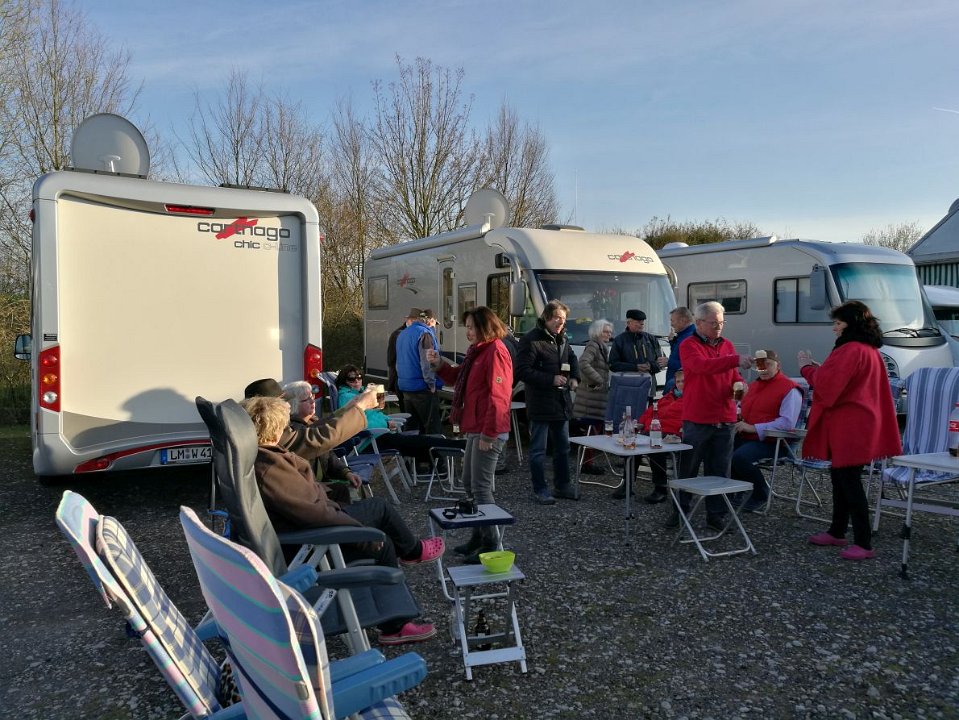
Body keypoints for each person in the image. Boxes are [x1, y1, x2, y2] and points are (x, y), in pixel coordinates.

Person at [241, 394, 444, 646]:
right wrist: (362, 535)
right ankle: (396, 625)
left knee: (377, 511)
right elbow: (314, 514)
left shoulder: (260, 457)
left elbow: (307, 502)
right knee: (382, 539)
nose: (288, 431)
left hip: (302, 532)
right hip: (307, 545)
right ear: (275, 429)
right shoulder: (271, 467)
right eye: (285, 427)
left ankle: (407, 569)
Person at [798, 300, 902, 561]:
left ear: (850, 324)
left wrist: (806, 367)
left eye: (838, 323)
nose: (834, 328)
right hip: (861, 423)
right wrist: (821, 369)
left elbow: (827, 386)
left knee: (849, 482)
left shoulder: (850, 349)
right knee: (841, 478)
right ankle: (837, 531)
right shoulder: (868, 349)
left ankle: (863, 543)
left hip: (850, 425)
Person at [429, 306, 513, 562]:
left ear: (485, 327)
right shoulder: (477, 351)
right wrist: (439, 364)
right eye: (466, 327)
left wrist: (489, 434)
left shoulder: (495, 351)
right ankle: (478, 535)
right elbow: (459, 377)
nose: (467, 332)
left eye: (471, 327)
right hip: (476, 426)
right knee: (468, 483)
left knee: (481, 487)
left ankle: (492, 544)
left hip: (488, 430)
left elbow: (499, 397)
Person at [667, 301, 753, 530]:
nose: (719, 327)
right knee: (689, 468)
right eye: (714, 323)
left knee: (720, 470)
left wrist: (741, 385)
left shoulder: (727, 345)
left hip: (725, 416)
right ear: (699, 323)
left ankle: (716, 515)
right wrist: (734, 360)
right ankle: (680, 511)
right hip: (698, 417)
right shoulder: (688, 345)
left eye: (721, 322)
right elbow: (702, 367)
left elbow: (733, 375)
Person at [515, 300, 581, 504]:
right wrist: (550, 379)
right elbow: (522, 371)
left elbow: (572, 359)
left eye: (563, 319)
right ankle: (540, 489)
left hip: (561, 402)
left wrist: (575, 377)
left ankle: (562, 486)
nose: (560, 322)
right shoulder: (531, 340)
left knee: (563, 448)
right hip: (540, 403)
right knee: (538, 451)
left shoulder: (562, 339)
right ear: (546, 317)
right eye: (557, 318)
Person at [333, 364, 465, 465]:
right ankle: (460, 447)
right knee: (419, 442)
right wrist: (386, 424)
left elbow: (374, 414)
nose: (357, 381)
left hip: (378, 435)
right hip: (369, 440)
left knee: (418, 444)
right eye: (351, 379)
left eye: (359, 377)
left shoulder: (360, 394)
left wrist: (386, 420)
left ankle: (447, 456)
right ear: (344, 381)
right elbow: (357, 423)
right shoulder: (347, 398)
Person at [730, 350, 802, 513]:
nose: (763, 369)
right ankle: (735, 491)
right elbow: (741, 409)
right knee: (720, 450)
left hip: (775, 442)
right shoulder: (754, 386)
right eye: (759, 365)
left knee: (740, 457)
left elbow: (787, 423)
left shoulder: (789, 388)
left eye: (768, 364)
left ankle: (761, 494)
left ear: (778, 365)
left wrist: (753, 427)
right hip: (748, 437)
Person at [244, 377, 378, 461]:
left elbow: (315, 428)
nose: (286, 404)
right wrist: (361, 406)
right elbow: (316, 438)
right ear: (265, 410)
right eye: (280, 402)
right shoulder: (273, 434)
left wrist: (349, 408)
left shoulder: (265, 430)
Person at [283, 380, 363, 505]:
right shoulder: (293, 430)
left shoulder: (313, 421)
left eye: (312, 397)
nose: (312, 401)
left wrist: (346, 472)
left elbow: (328, 454)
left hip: (321, 483)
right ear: (293, 404)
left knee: (355, 489)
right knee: (344, 492)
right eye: (306, 399)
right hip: (308, 493)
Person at [631, 369, 686, 504]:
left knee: (655, 446)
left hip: (672, 434)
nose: (680, 384)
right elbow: (649, 412)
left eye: (684, 381)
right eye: (678, 381)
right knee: (632, 444)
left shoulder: (692, 399)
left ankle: (660, 488)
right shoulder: (666, 397)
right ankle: (628, 484)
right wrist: (641, 423)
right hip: (652, 431)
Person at [572, 318, 613, 475]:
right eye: (605, 331)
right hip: (591, 398)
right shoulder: (593, 345)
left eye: (610, 332)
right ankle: (586, 464)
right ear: (597, 332)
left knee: (593, 432)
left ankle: (588, 463)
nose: (608, 334)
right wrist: (599, 379)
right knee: (591, 433)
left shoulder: (601, 347)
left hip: (595, 398)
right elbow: (583, 363)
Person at [395, 308, 443, 434]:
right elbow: (427, 362)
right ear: (428, 321)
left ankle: (411, 448)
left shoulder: (402, 334)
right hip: (422, 387)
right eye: (434, 323)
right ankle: (433, 447)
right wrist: (431, 384)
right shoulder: (424, 334)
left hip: (405, 386)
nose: (434, 326)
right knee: (432, 428)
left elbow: (398, 362)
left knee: (412, 429)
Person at [608, 309, 667, 407]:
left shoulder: (651, 339)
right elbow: (613, 365)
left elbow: (661, 362)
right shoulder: (619, 340)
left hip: (649, 388)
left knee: (647, 414)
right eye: (638, 322)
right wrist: (635, 367)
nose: (641, 324)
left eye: (642, 322)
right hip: (628, 387)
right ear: (628, 323)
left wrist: (650, 366)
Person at [387, 308, 421, 412]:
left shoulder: (416, 333)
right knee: (407, 412)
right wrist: (393, 383)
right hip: (402, 380)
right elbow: (392, 360)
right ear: (410, 320)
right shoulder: (398, 334)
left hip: (412, 382)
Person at [663, 306, 695, 394]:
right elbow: (678, 355)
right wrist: (672, 342)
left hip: (679, 390)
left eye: (672, 321)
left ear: (682, 320)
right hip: (676, 387)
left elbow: (691, 365)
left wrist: (668, 362)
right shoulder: (683, 336)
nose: (671, 324)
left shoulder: (690, 338)